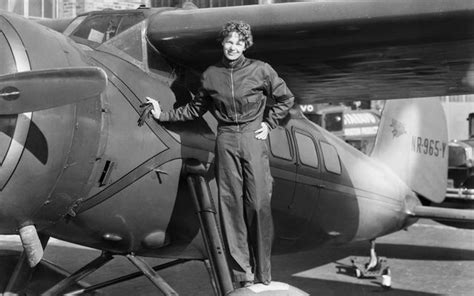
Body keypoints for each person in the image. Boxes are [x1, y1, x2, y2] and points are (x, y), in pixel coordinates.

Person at [145, 20, 294, 287]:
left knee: (258, 204)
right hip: (225, 139)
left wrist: (268, 124)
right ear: (223, 43)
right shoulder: (211, 74)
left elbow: (286, 99)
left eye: (239, 42)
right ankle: (243, 275)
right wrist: (162, 114)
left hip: (252, 138)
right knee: (230, 206)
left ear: (245, 45)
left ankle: (264, 274)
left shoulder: (261, 70)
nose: (233, 47)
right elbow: (195, 109)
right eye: (229, 42)